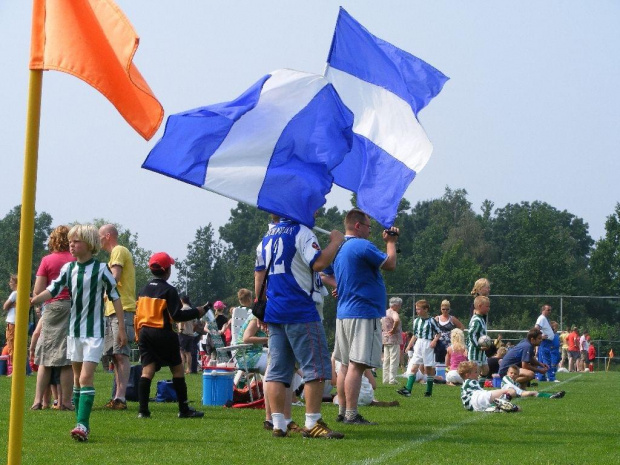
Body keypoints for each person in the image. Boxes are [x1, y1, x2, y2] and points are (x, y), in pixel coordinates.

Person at [31, 224, 127, 442]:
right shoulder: (68, 269)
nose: (71, 245)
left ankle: (83, 425)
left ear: (89, 244)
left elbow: (116, 297)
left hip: (94, 333)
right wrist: (35, 299)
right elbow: (53, 290)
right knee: (76, 379)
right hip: (74, 332)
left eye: (76, 241)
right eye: (71, 241)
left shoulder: (102, 269)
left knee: (85, 377)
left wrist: (121, 328)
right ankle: (79, 423)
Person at [256, 216, 344, 439]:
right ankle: (312, 422)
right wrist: (335, 242)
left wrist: (260, 306)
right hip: (299, 308)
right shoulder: (302, 232)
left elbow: (259, 275)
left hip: (275, 310)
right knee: (315, 367)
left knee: (277, 371)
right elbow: (318, 263)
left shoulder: (266, 238)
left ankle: (279, 423)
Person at [331, 208, 399, 425]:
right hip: (363, 313)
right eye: (369, 227)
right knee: (357, 365)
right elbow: (390, 264)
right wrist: (391, 241)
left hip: (344, 313)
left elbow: (327, 275)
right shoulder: (361, 245)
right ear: (358, 226)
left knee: (344, 365)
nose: (371, 231)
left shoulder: (340, 249)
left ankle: (343, 411)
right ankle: (351, 413)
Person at [135, 252, 206, 419]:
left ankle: (143, 411)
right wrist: (197, 311)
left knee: (147, 370)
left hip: (145, 332)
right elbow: (176, 316)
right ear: (167, 271)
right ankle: (184, 410)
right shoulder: (169, 290)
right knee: (178, 369)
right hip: (163, 331)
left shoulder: (143, 289)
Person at [29, 225, 75, 411]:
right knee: (66, 359)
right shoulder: (75, 260)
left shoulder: (47, 260)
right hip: (71, 306)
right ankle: (65, 402)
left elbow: (37, 291)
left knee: (45, 356)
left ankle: (38, 401)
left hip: (51, 306)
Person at [99, 224, 136, 410]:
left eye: (99, 236)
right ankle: (117, 397)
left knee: (121, 353)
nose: (97, 240)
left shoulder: (119, 251)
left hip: (123, 307)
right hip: (112, 309)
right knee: (115, 355)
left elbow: (114, 277)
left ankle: (121, 398)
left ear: (107, 236)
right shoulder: (115, 253)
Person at [397, 300, 440, 397]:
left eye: (419, 309)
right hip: (419, 344)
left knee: (428, 368)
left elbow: (439, 333)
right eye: (416, 309)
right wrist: (409, 345)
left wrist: (434, 340)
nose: (417, 311)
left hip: (427, 343)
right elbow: (415, 335)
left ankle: (428, 391)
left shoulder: (431, 321)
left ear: (426, 309)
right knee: (413, 367)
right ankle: (408, 389)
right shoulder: (416, 321)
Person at [434, 299, 464, 365]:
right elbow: (433, 329)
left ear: (449, 309)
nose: (445, 311)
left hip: (449, 343)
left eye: (447, 309)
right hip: (439, 343)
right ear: (441, 309)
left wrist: (456, 334)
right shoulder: (437, 318)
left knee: (449, 359)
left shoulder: (452, 318)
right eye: (443, 309)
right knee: (439, 360)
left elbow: (461, 327)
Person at [466, 295, 490, 378]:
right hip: (475, 351)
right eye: (487, 306)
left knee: (486, 370)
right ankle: (471, 388)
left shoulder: (481, 318)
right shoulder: (476, 320)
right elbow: (471, 334)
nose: (488, 308)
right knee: (476, 370)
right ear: (480, 306)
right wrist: (478, 346)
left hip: (481, 351)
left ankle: (480, 388)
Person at [381, 297, 402, 385]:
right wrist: (393, 329)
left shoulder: (384, 312)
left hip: (385, 338)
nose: (400, 307)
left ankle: (385, 378)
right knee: (394, 359)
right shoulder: (394, 313)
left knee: (386, 359)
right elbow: (396, 320)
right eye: (399, 305)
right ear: (395, 305)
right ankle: (392, 379)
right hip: (394, 339)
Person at [534, 304, 554, 381]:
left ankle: (541, 377)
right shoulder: (541, 318)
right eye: (548, 310)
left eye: (550, 310)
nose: (550, 311)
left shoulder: (545, 319)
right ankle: (551, 377)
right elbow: (536, 328)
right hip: (545, 342)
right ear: (543, 310)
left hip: (547, 342)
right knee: (547, 359)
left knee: (541, 360)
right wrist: (540, 337)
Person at [178, 295, 196, 374]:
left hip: (184, 333)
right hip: (191, 334)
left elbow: (182, 320)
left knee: (182, 352)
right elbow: (195, 323)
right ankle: (189, 369)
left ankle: (182, 369)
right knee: (188, 353)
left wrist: (181, 329)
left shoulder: (182, 309)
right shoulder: (192, 310)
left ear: (182, 300)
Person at [3, 274, 17, 367]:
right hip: (18, 322)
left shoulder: (15, 293)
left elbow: (5, 306)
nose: (9, 284)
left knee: (11, 345)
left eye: (11, 282)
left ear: (16, 283)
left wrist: (10, 305)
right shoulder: (24, 292)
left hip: (12, 322)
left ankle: (13, 368)